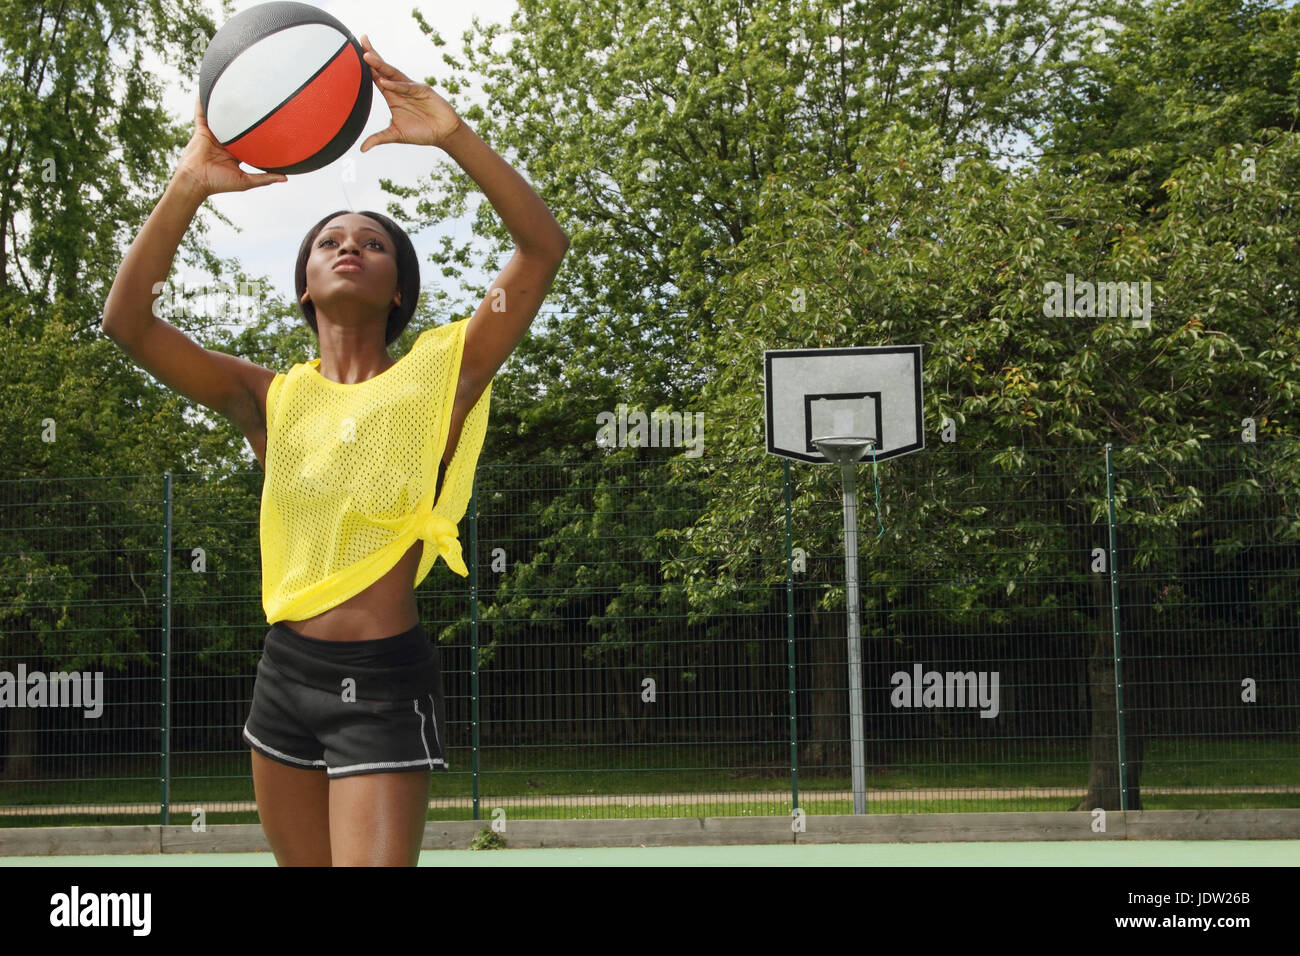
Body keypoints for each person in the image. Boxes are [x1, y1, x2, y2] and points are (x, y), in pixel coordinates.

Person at [101, 35, 569, 865]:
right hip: (284, 675)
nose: (349, 245)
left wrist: (453, 135)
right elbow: (127, 323)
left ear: (398, 290)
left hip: (384, 682)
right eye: (329, 241)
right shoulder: (270, 397)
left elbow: (541, 248)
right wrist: (187, 185)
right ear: (305, 283)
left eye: (374, 242)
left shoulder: (441, 375)